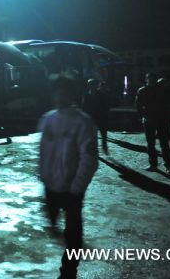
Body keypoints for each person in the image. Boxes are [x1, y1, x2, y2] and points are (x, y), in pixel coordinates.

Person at [38, 77, 98, 279]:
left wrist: (77, 187)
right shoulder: (48, 119)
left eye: (64, 91)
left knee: (73, 233)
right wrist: (44, 177)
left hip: (71, 188)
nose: (59, 96)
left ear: (72, 94)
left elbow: (89, 159)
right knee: (55, 219)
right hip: (50, 185)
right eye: (56, 91)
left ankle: (69, 271)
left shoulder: (83, 122)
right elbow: (43, 151)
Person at [135, 72, 170, 172]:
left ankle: (167, 165)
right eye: (150, 79)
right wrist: (144, 115)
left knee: (163, 143)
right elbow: (138, 105)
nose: (151, 81)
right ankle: (154, 165)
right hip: (150, 120)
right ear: (147, 79)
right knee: (151, 144)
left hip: (160, 120)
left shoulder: (161, 90)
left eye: (153, 79)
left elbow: (168, 104)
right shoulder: (143, 91)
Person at [81, 78, 110, 155]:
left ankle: (104, 147)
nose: (92, 87)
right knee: (93, 136)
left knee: (103, 134)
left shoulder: (101, 95)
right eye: (90, 85)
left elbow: (106, 106)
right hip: (92, 118)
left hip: (101, 117)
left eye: (93, 85)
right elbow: (84, 107)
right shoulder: (87, 96)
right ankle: (96, 149)